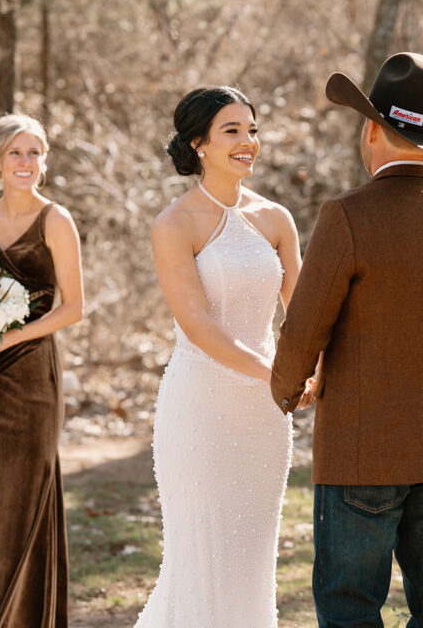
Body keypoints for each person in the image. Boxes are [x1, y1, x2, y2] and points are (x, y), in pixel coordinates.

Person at [271, 52, 423, 628]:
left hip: (361, 449)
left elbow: (304, 328)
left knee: (350, 606)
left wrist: (287, 389)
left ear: (371, 128)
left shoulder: (347, 215)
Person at [134, 86, 301, 628]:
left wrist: (308, 368)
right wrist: (276, 372)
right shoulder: (173, 224)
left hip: (265, 417)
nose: (248, 141)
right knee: (200, 556)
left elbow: (302, 315)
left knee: (252, 560)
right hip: (199, 409)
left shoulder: (277, 219)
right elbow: (198, 325)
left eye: (252, 130)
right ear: (197, 143)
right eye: (232, 131)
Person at [0, 114, 83, 628]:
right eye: (15, 153)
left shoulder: (56, 220)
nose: (25, 162)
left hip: (31, 378)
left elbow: (73, 307)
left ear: (43, 161)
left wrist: (10, 336)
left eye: (34, 152)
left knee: (27, 496)